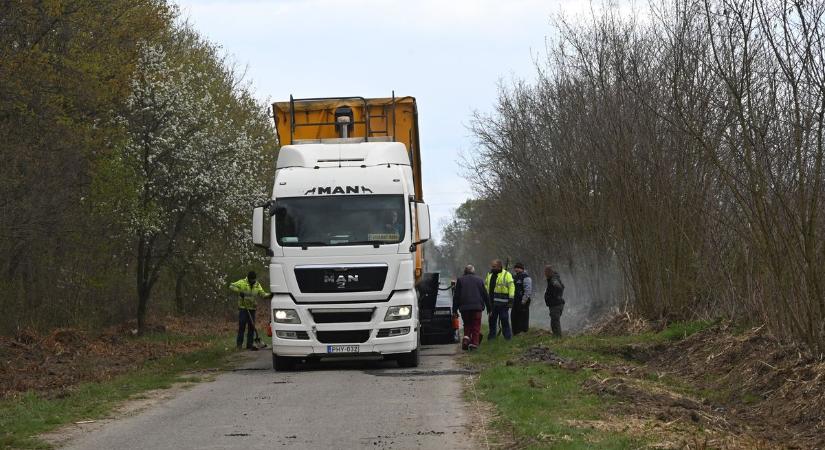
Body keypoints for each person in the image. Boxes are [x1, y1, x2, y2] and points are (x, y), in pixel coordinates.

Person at [229, 271, 270, 350]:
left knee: (251, 327)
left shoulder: (257, 285)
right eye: (252, 280)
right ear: (248, 278)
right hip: (243, 308)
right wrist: (239, 291)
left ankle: (249, 344)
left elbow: (263, 294)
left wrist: (270, 295)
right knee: (242, 326)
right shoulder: (242, 282)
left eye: (254, 279)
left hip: (252, 309)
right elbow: (231, 286)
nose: (253, 281)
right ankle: (239, 345)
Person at [452, 265, 489, 350]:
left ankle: (466, 340)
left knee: (467, 324)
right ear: (473, 271)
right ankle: (474, 344)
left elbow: (456, 297)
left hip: (464, 308)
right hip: (477, 308)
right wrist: (489, 308)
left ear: (465, 271)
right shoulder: (479, 280)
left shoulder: (460, 280)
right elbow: (485, 295)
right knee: (476, 325)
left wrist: (454, 310)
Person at [484, 259, 515, 340]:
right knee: (491, 321)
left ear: (499, 266)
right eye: (492, 266)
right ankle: (491, 338)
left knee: (504, 320)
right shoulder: (489, 274)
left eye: (494, 266)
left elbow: (511, 286)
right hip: (492, 303)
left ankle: (508, 338)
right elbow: (486, 286)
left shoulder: (506, 274)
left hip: (503, 304)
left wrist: (511, 299)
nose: (492, 268)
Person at [511, 263, 533, 335]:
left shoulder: (526, 277)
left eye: (517, 268)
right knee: (514, 316)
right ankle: (515, 332)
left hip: (523, 301)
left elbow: (528, 290)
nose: (516, 269)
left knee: (523, 317)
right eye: (515, 268)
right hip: (515, 301)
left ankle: (523, 332)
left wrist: (523, 301)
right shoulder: (514, 277)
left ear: (522, 269)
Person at [544, 265, 565, 337]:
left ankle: (558, 338)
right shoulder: (552, 278)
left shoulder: (554, 279)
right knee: (553, 322)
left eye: (546, 272)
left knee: (555, 322)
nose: (545, 274)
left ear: (549, 272)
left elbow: (559, 287)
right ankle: (556, 336)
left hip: (556, 304)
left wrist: (556, 296)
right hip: (554, 304)